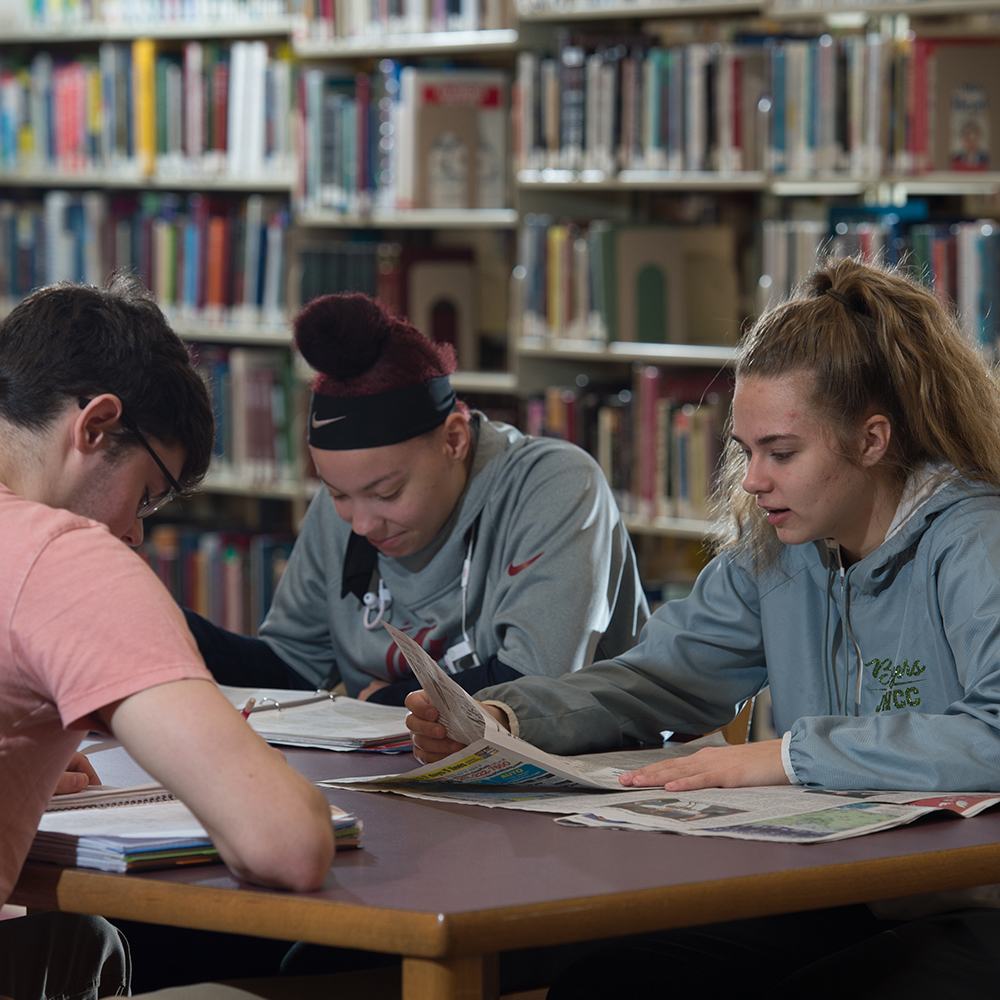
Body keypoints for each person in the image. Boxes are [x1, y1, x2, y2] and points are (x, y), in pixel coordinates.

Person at [406, 255, 1000, 998]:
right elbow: (659, 677)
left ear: (872, 440)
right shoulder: (780, 554)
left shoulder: (976, 540)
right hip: (842, 888)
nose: (752, 480)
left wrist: (786, 757)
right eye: (745, 451)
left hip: (977, 905)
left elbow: (995, 733)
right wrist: (505, 717)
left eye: (781, 453)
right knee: (614, 981)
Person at [0, 278, 335, 1000]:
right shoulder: (66, 557)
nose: (134, 532)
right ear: (96, 426)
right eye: (147, 494)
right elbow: (286, 844)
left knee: (80, 943)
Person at [184, 291, 648, 706]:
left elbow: (536, 684)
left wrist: (386, 700)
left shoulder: (557, 484)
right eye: (338, 493)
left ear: (454, 441)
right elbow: (292, 668)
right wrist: (167, 625)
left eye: (386, 493)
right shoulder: (342, 513)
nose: (360, 523)